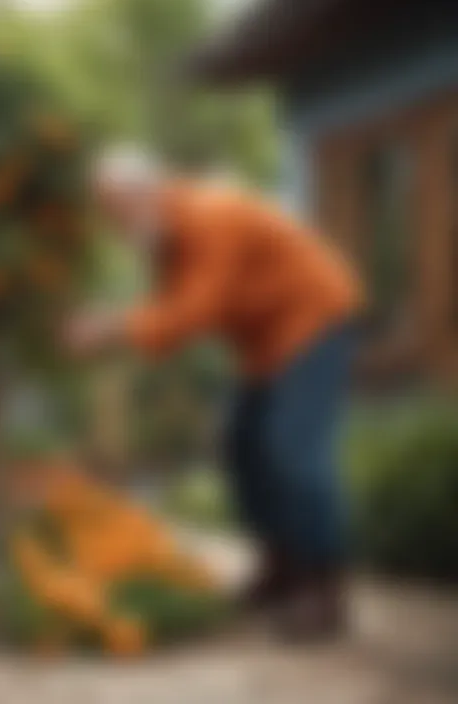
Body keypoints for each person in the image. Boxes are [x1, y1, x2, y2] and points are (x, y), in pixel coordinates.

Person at [63, 147, 364, 640]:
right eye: (109, 216)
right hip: (266, 344)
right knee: (242, 447)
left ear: (146, 191)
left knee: (292, 450)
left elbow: (196, 310)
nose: (116, 227)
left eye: (118, 211)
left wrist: (109, 329)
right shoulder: (167, 241)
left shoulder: (210, 214)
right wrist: (112, 326)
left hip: (316, 319)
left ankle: (324, 590)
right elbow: (166, 315)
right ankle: (280, 569)